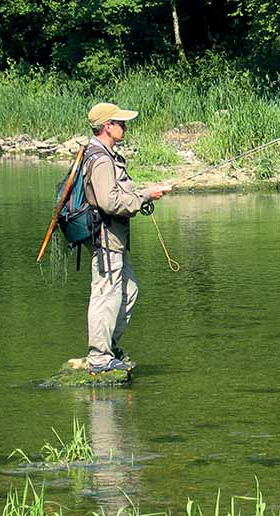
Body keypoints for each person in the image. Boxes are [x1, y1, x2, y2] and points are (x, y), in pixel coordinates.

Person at [82, 102, 169, 374]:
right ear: (107, 126)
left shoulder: (107, 155)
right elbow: (109, 202)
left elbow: (119, 193)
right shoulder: (100, 159)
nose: (125, 126)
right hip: (105, 239)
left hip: (114, 239)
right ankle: (99, 358)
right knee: (105, 296)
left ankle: (109, 347)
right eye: (120, 122)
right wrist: (145, 196)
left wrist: (146, 192)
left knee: (128, 291)